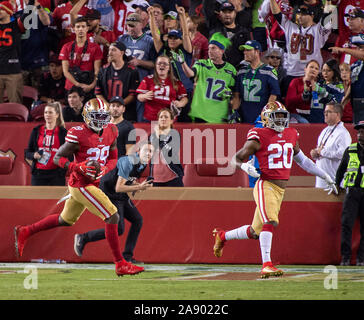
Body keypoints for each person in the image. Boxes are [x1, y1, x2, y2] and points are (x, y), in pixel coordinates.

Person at [15, 98, 144, 277]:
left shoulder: (112, 130)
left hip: (93, 182)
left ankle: (25, 230)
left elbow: (114, 158)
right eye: (96, 116)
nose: (100, 120)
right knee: (112, 215)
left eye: (103, 116)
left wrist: (105, 169)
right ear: (86, 116)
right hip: (80, 184)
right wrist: (78, 167)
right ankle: (120, 263)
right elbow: (57, 158)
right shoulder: (77, 134)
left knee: (65, 220)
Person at [212, 101, 337, 278]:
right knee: (270, 221)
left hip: (280, 190)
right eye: (276, 117)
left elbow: (303, 161)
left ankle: (222, 236)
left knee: (255, 231)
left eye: (282, 117)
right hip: (266, 185)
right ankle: (267, 264)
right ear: (266, 118)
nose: (280, 121)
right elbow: (236, 159)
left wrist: (325, 175)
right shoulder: (258, 135)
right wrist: (246, 168)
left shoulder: (291, 133)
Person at [73, 142, 154, 263]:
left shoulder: (143, 165)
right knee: (119, 229)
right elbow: (118, 187)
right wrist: (138, 187)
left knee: (137, 220)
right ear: (138, 152)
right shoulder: (129, 162)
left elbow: (126, 181)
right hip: (109, 192)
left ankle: (127, 256)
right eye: (145, 150)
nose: (148, 153)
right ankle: (83, 238)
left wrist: (138, 185)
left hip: (119, 193)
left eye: (151, 151)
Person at [270, 0, 333, 99]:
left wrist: (328, 2)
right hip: (291, 74)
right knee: (289, 104)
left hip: (312, 75)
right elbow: (277, 14)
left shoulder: (318, 30)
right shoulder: (290, 26)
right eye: (299, 13)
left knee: (311, 106)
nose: (300, 16)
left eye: (303, 14)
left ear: (312, 16)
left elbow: (327, 17)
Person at [181, 32, 238, 123]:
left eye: (213, 48)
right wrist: (183, 63)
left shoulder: (231, 70)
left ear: (222, 51)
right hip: (201, 115)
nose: (209, 51)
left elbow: (235, 93)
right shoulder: (201, 64)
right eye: (209, 48)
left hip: (220, 116)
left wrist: (232, 107)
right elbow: (191, 74)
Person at [117, 13, 157, 122]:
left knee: (141, 115)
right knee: (123, 113)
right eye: (129, 25)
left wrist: (139, 62)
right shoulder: (121, 39)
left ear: (141, 25)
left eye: (133, 25)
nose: (131, 28)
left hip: (142, 81)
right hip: (125, 81)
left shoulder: (150, 41)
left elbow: (155, 64)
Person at [335, 120, 364, 266]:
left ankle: (361, 258)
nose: (360, 135)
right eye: (359, 132)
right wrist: (337, 184)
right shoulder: (350, 150)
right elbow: (340, 170)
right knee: (346, 224)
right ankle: (345, 257)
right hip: (352, 192)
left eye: (363, 132)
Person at [235, 40, 280, 124]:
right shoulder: (242, 71)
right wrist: (234, 112)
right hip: (244, 115)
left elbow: (273, 95)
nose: (245, 52)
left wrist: (267, 113)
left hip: (261, 115)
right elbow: (237, 95)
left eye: (248, 50)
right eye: (244, 50)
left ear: (257, 52)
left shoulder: (269, 71)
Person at [59, 16, 103, 102]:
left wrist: (92, 86)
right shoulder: (66, 47)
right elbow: (65, 71)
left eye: (83, 26)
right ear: (73, 29)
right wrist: (77, 84)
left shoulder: (95, 47)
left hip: (88, 86)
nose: (80, 29)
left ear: (87, 28)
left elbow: (97, 71)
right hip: (71, 87)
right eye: (78, 27)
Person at [310, 102, 352, 189]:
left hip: (334, 180)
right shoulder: (325, 131)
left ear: (337, 114)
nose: (325, 114)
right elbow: (320, 149)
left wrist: (322, 152)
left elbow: (343, 155)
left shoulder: (343, 133)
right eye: (325, 111)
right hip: (321, 180)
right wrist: (315, 153)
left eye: (328, 112)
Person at [95, 42, 140, 122]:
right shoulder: (103, 70)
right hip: (107, 112)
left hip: (127, 113)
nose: (110, 53)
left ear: (122, 53)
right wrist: (109, 106)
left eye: (113, 50)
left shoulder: (132, 71)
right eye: (109, 50)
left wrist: (119, 106)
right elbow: (98, 93)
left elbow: (133, 95)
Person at [25, 102, 68, 186]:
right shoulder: (36, 131)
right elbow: (27, 153)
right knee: (37, 199)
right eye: (46, 112)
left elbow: (69, 155)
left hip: (56, 174)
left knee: (56, 199)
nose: (47, 115)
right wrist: (34, 155)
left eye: (50, 112)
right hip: (38, 174)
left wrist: (62, 170)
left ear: (57, 115)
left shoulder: (63, 132)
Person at [137, 55, 188, 122]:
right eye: (159, 63)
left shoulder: (176, 82)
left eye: (165, 64)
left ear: (169, 67)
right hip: (151, 118)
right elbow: (139, 96)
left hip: (169, 118)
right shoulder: (148, 80)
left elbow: (184, 98)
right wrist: (144, 96)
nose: (162, 65)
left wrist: (180, 103)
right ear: (155, 66)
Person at [204, 1, 252, 69]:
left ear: (235, 13)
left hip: (237, 71)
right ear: (220, 14)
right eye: (224, 12)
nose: (227, 15)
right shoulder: (214, 29)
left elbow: (248, 53)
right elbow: (207, 7)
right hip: (216, 70)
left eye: (230, 12)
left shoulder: (243, 32)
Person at [0, 1, 31, 103]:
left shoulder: (17, 25)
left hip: (13, 71)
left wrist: (31, 2)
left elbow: (28, 14)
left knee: (15, 104)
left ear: (9, 11)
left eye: (2, 9)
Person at [330, 33, 364, 123]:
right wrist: (342, 104)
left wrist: (343, 50)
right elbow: (352, 87)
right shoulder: (355, 66)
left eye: (361, 47)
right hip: (357, 104)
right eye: (358, 47)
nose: (359, 50)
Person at [149, 108, 184, 187]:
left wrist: (159, 136)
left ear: (171, 120)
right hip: (155, 177)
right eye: (161, 117)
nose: (163, 119)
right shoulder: (151, 136)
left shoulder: (175, 135)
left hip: (173, 177)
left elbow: (169, 152)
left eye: (166, 117)